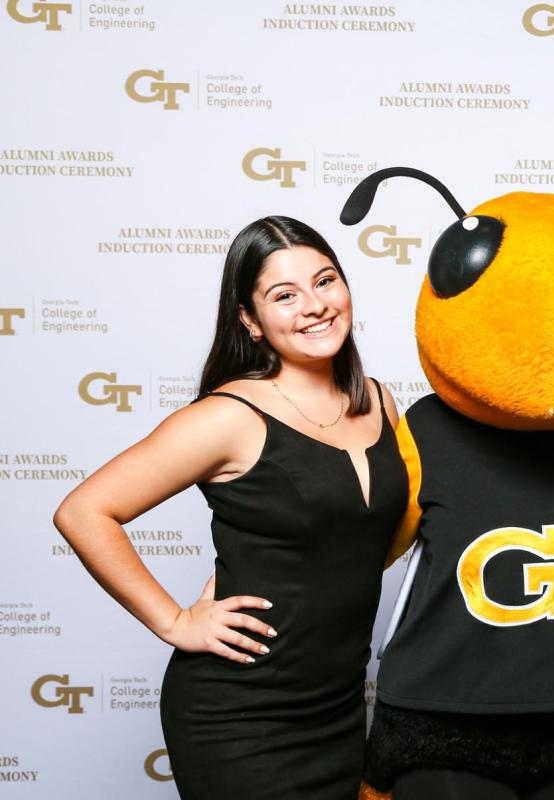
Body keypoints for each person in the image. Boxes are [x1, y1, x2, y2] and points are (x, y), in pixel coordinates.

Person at [53, 216, 406, 799]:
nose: (314, 306)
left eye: (326, 282)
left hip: (340, 710)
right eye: (284, 295)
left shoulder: (378, 400)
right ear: (250, 320)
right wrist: (174, 621)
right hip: (240, 717)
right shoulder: (229, 417)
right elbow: (85, 511)